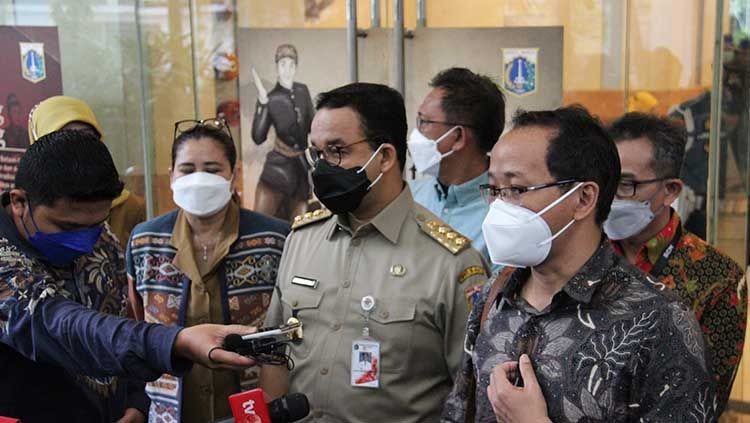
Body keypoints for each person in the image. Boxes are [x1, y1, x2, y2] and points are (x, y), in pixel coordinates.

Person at [443, 106, 716, 422]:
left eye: (517, 189)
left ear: (584, 198)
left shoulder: (657, 321)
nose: (500, 208)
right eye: (494, 190)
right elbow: (458, 412)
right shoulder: (496, 296)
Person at [260, 83, 488, 422]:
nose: (322, 167)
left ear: (384, 157)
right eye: (317, 153)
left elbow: (470, 391)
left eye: (337, 151)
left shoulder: (451, 262)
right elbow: (275, 352)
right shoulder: (301, 239)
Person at [0, 130, 258, 423]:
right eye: (66, 227)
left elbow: (119, 318)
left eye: (96, 225)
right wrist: (174, 342)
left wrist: (135, 401)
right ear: (19, 202)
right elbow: (58, 324)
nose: (84, 242)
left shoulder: (102, 240)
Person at [127, 118, 290, 423]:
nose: (199, 179)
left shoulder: (275, 238)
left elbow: (290, 325)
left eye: (213, 170)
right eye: (187, 169)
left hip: (253, 409)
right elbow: (135, 323)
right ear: (172, 175)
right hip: (169, 410)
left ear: (233, 175)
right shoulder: (145, 241)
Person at [606, 112, 746, 415]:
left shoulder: (716, 277)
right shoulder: (582, 255)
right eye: (606, 182)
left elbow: (707, 397)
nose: (612, 197)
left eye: (626, 184)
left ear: (670, 190)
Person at [408, 67, 505, 271]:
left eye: (424, 122)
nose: (415, 133)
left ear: (458, 137)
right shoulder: (408, 196)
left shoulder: (504, 216)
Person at [27, 95, 147, 246]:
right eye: (64, 138)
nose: (79, 147)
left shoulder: (130, 208)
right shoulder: (26, 209)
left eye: (87, 136)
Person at [251, 44, 315, 221]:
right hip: (276, 174)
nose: (287, 69)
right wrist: (263, 104)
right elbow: (258, 137)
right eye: (283, 64)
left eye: (291, 65)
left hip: (301, 173)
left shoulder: (303, 91)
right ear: (277, 68)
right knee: (260, 224)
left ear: (296, 68)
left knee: (300, 232)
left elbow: (313, 125)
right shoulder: (270, 98)